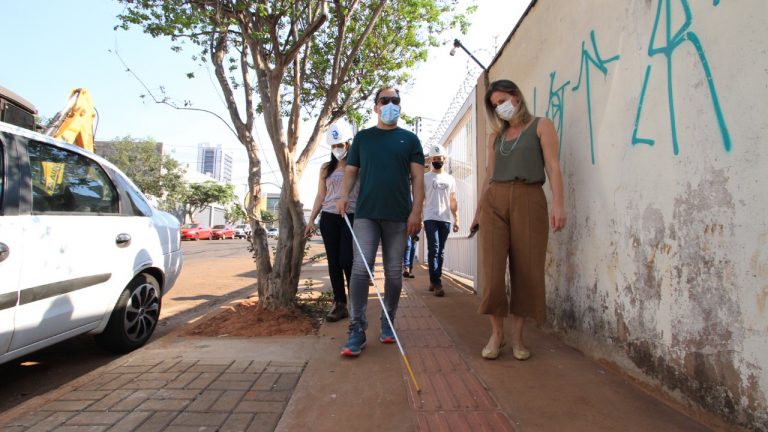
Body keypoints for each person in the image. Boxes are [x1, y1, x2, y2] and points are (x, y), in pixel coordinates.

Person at [470, 79, 566, 361]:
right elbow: (489, 175)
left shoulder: (541, 125)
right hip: (495, 200)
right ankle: (496, 334)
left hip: (529, 197)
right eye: (494, 105)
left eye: (502, 101)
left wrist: (558, 204)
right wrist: (478, 211)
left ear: (516, 97)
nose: (499, 108)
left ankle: (518, 338)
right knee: (492, 271)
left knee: (527, 270)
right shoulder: (495, 138)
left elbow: (553, 166)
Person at [336, 86, 424, 357]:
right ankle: (356, 330)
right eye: (384, 100)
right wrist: (343, 196)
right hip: (366, 214)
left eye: (395, 100)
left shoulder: (410, 140)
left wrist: (416, 212)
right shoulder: (363, 138)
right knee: (360, 270)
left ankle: (388, 321)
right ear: (375, 106)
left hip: (398, 216)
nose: (390, 104)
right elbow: (351, 171)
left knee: (394, 275)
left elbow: (418, 179)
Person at [305, 122, 359, 322]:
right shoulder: (325, 168)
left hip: (350, 216)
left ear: (348, 144)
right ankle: (340, 304)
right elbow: (321, 194)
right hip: (328, 217)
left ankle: (356, 301)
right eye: (334, 145)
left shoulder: (357, 166)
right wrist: (311, 219)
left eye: (340, 145)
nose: (337, 148)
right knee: (334, 262)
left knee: (347, 259)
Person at [422, 145, 459, 297]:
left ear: (444, 158)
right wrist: (419, 217)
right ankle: (437, 282)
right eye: (435, 158)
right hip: (430, 217)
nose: (437, 160)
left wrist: (456, 219)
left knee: (441, 251)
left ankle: (434, 279)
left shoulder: (450, 179)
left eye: (440, 158)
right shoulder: (425, 178)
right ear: (430, 159)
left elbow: (453, 200)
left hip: (445, 219)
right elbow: (420, 199)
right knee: (434, 249)